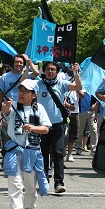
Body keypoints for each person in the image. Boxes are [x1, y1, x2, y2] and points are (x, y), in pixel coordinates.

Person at [0, 78, 51, 209]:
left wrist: (33, 128)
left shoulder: (39, 108)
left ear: (33, 95)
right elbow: (5, 112)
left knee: (30, 185)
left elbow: (46, 129)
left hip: (32, 152)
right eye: (20, 90)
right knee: (15, 184)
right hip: (14, 151)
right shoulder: (13, 105)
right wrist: (6, 106)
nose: (21, 93)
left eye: (25, 91)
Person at [36, 61, 82, 193]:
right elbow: (24, 86)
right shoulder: (38, 84)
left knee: (58, 153)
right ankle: (44, 180)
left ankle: (59, 183)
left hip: (58, 125)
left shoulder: (62, 84)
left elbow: (78, 87)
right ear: (44, 71)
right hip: (42, 125)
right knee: (43, 154)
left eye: (53, 70)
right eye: (48, 69)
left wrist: (76, 73)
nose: (50, 72)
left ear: (57, 72)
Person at [75, 90, 98, 154]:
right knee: (80, 131)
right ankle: (79, 147)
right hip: (82, 112)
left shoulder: (93, 89)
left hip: (92, 112)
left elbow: (98, 100)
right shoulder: (80, 89)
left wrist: (95, 105)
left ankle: (94, 149)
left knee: (94, 130)